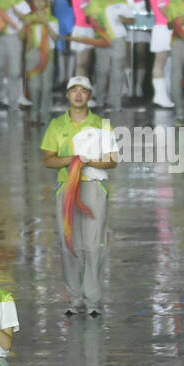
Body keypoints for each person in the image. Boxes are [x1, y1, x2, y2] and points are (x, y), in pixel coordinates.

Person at [40, 77, 120, 315]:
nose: (78, 95)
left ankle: (93, 300)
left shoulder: (101, 125)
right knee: (69, 243)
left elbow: (112, 160)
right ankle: (75, 298)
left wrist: (88, 162)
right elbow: (48, 159)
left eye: (83, 91)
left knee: (94, 244)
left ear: (89, 95)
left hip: (94, 187)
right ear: (67, 95)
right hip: (66, 188)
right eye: (73, 90)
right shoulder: (57, 125)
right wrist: (73, 160)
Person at [20, 0, 60, 123]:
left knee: (47, 86)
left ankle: (45, 115)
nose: (39, 3)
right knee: (34, 86)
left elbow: (55, 37)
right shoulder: (30, 19)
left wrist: (46, 24)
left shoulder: (53, 19)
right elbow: (22, 37)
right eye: (36, 0)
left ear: (46, 3)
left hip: (48, 52)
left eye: (41, 0)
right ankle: (34, 113)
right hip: (33, 53)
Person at [146, 0, 174, 108]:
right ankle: (159, 96)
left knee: (163, 62)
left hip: (166, 29)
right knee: (160, 62)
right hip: (162, 29)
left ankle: (163, 95)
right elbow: (166, 12)